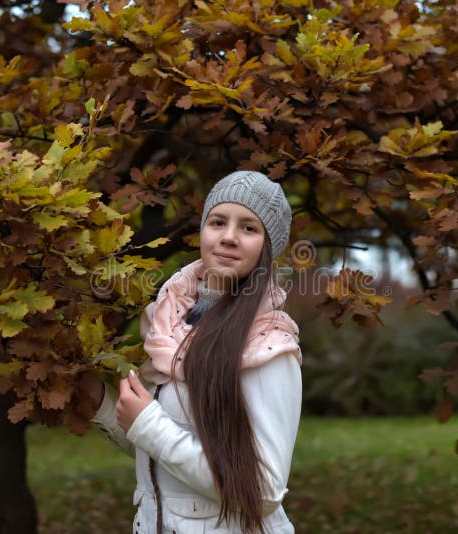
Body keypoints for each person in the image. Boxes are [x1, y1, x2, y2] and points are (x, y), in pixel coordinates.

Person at [90, 170, 302, 533]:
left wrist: (147, 424)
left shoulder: (268, 344)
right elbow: (161, 451)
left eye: (249, 228)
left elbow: (264, 490)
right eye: (218, 222)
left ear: (266, 248)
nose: (229, 237)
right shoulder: (169, 323)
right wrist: (102, 405)